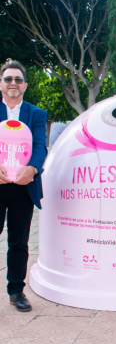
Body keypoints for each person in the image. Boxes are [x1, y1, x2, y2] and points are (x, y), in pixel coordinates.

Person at [0, 61, 47, 312]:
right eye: (8, 79)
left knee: (19, 241)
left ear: (25, 85)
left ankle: (16, 290)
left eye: (18, 79)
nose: (13, 84)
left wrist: (34, 168)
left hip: (22, 185)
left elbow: (40, 145)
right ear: (1, 84)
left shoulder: (36, 114)